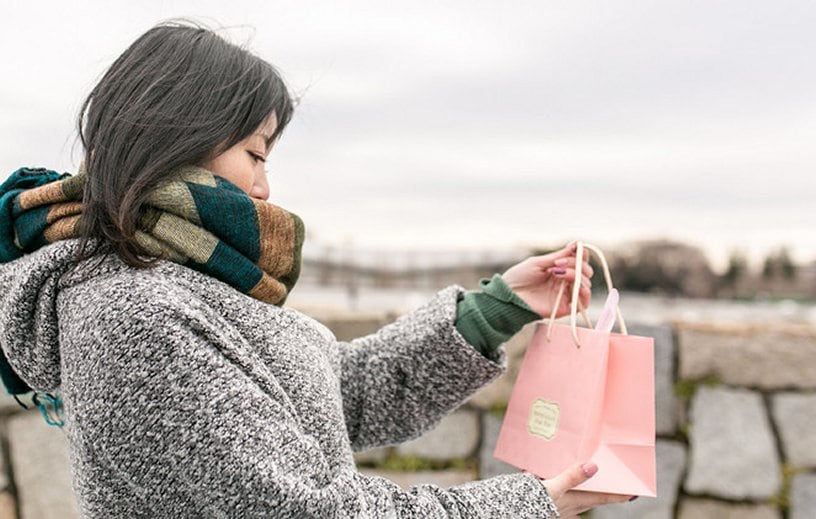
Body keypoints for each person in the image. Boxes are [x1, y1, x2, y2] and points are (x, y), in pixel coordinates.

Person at [0, 21, 634, 518]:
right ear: (178, 135)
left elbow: (338, 396)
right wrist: (525, 504)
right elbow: (302, 508)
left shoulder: (183, 283)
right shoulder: (130, 315)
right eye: (255, 153)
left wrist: (497, 309)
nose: (266, 188)